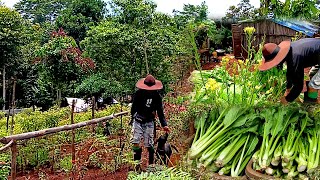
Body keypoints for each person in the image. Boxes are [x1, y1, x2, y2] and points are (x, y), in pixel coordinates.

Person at [259, 38, 320, 104]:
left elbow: (299, 86)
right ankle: (310, 100)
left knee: (313, 85)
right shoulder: (291, 51)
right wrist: (288, 88)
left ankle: (312, 106)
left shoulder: (295, 58)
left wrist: (287, 99)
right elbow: (290, 72)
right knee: (312, 75)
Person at [130, 74, 170, 171]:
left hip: (149, 121)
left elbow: (160, 111)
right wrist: (133, 117)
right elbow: (133, 108)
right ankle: (137, 165)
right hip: (138, 120)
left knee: (149, 144)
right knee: (135, 142)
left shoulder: (157, 96)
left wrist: (164, 125)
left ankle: (151, 165)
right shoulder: (138, 94)